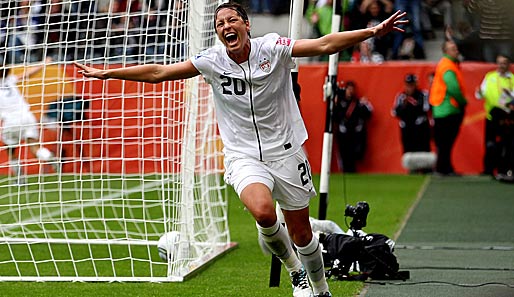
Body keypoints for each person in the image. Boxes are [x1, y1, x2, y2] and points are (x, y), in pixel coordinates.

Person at [74, 3, 407, 296]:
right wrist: (110, 72)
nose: (225, 27)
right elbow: (161, 72)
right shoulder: (211, 60)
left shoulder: (273, 47)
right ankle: (296, 274)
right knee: (263, 211)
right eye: (220, 24)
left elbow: (322, 44)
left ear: (247, 25)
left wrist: (372, 31)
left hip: (287, 151)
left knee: (303, 234)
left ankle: (320, 289)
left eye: (232, 20)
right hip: (243, 156)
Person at [0, 57, 58, 184]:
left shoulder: (9, 80)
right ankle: (48, 156)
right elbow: (28, 74)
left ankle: (20, 177)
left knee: (11, 150)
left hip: (10, 120)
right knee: (34, 146)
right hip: (27, 116)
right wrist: (43, 64)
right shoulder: (10, 80)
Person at [429, 40, 467, 176]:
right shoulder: (448, 66)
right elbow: (453, 88)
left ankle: (443, 168)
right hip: (449, 108)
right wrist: (463, 101)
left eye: (456, 48)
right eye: (452, 49)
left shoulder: (445, 65)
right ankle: (444, 168)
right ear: (446, 52)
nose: (456, 51)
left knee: (443, 143)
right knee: (446, 142)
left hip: (440, 108)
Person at [475, 54, 514, 175]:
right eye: (499, 62)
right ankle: (489, 169)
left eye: (504, 63)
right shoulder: (489, 76)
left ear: (508, 64)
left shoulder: (512, 78)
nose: (501, 65)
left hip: (508, 116)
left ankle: (505, 169)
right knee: (490, 143)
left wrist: (510, 94)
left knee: (507, 144)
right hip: (492, 115)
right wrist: (479, 92)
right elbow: (480, 95)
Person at [392, 74, 433, 173]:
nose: (410, 87)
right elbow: (394, 112)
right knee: (408, 150)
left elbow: (426, 108)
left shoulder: (423, 94)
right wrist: (404, 105)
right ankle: (412, 170)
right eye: (408, 85)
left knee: (423, 149)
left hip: (420, 128)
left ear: (416, 84)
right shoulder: (401, 97)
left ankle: (427, 169)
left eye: (412, 85)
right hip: (407, 128)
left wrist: (414, 104)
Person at [333, 81, 373, 172]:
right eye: (348, 89)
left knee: (354, 154)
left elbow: (368, 114)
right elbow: (335, 116)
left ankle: (352, 170)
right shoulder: (340, 102)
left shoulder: (358, 103)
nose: (350, 91)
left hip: (354, 133)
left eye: (352, 89)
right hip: (343, 132)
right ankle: (345, 170)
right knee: (344, 154)